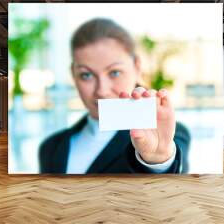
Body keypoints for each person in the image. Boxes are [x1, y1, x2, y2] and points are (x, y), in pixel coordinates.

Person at [39, 18, 190, 174]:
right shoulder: (51, 147)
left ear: (137, 67)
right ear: (73, 75)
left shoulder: (167, 134)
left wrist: (158, 160)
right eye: (86, 75)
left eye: (114, 72)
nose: (102, 90)